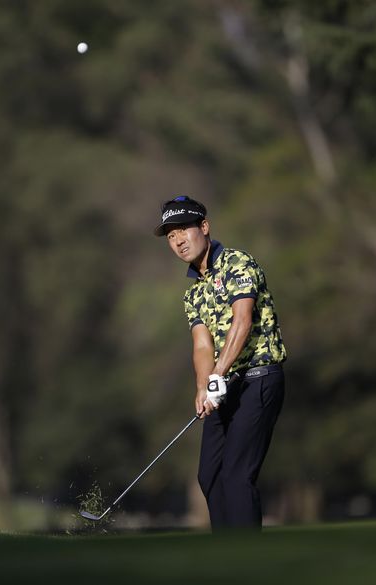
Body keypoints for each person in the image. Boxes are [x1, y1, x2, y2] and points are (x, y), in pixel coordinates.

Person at [154, 195, 288, 530]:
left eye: (184, 229)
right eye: (171, 235)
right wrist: (204, 386)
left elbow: (242, 322)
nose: (178, 240)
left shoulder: (238, 264)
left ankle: (246, 558)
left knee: (236, 474)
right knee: (209, 474)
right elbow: (202, 344)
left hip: (258, 378)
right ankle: (226, 550)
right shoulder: (193, 293)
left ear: (204, 227)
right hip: (225, 385)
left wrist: (217, 374)